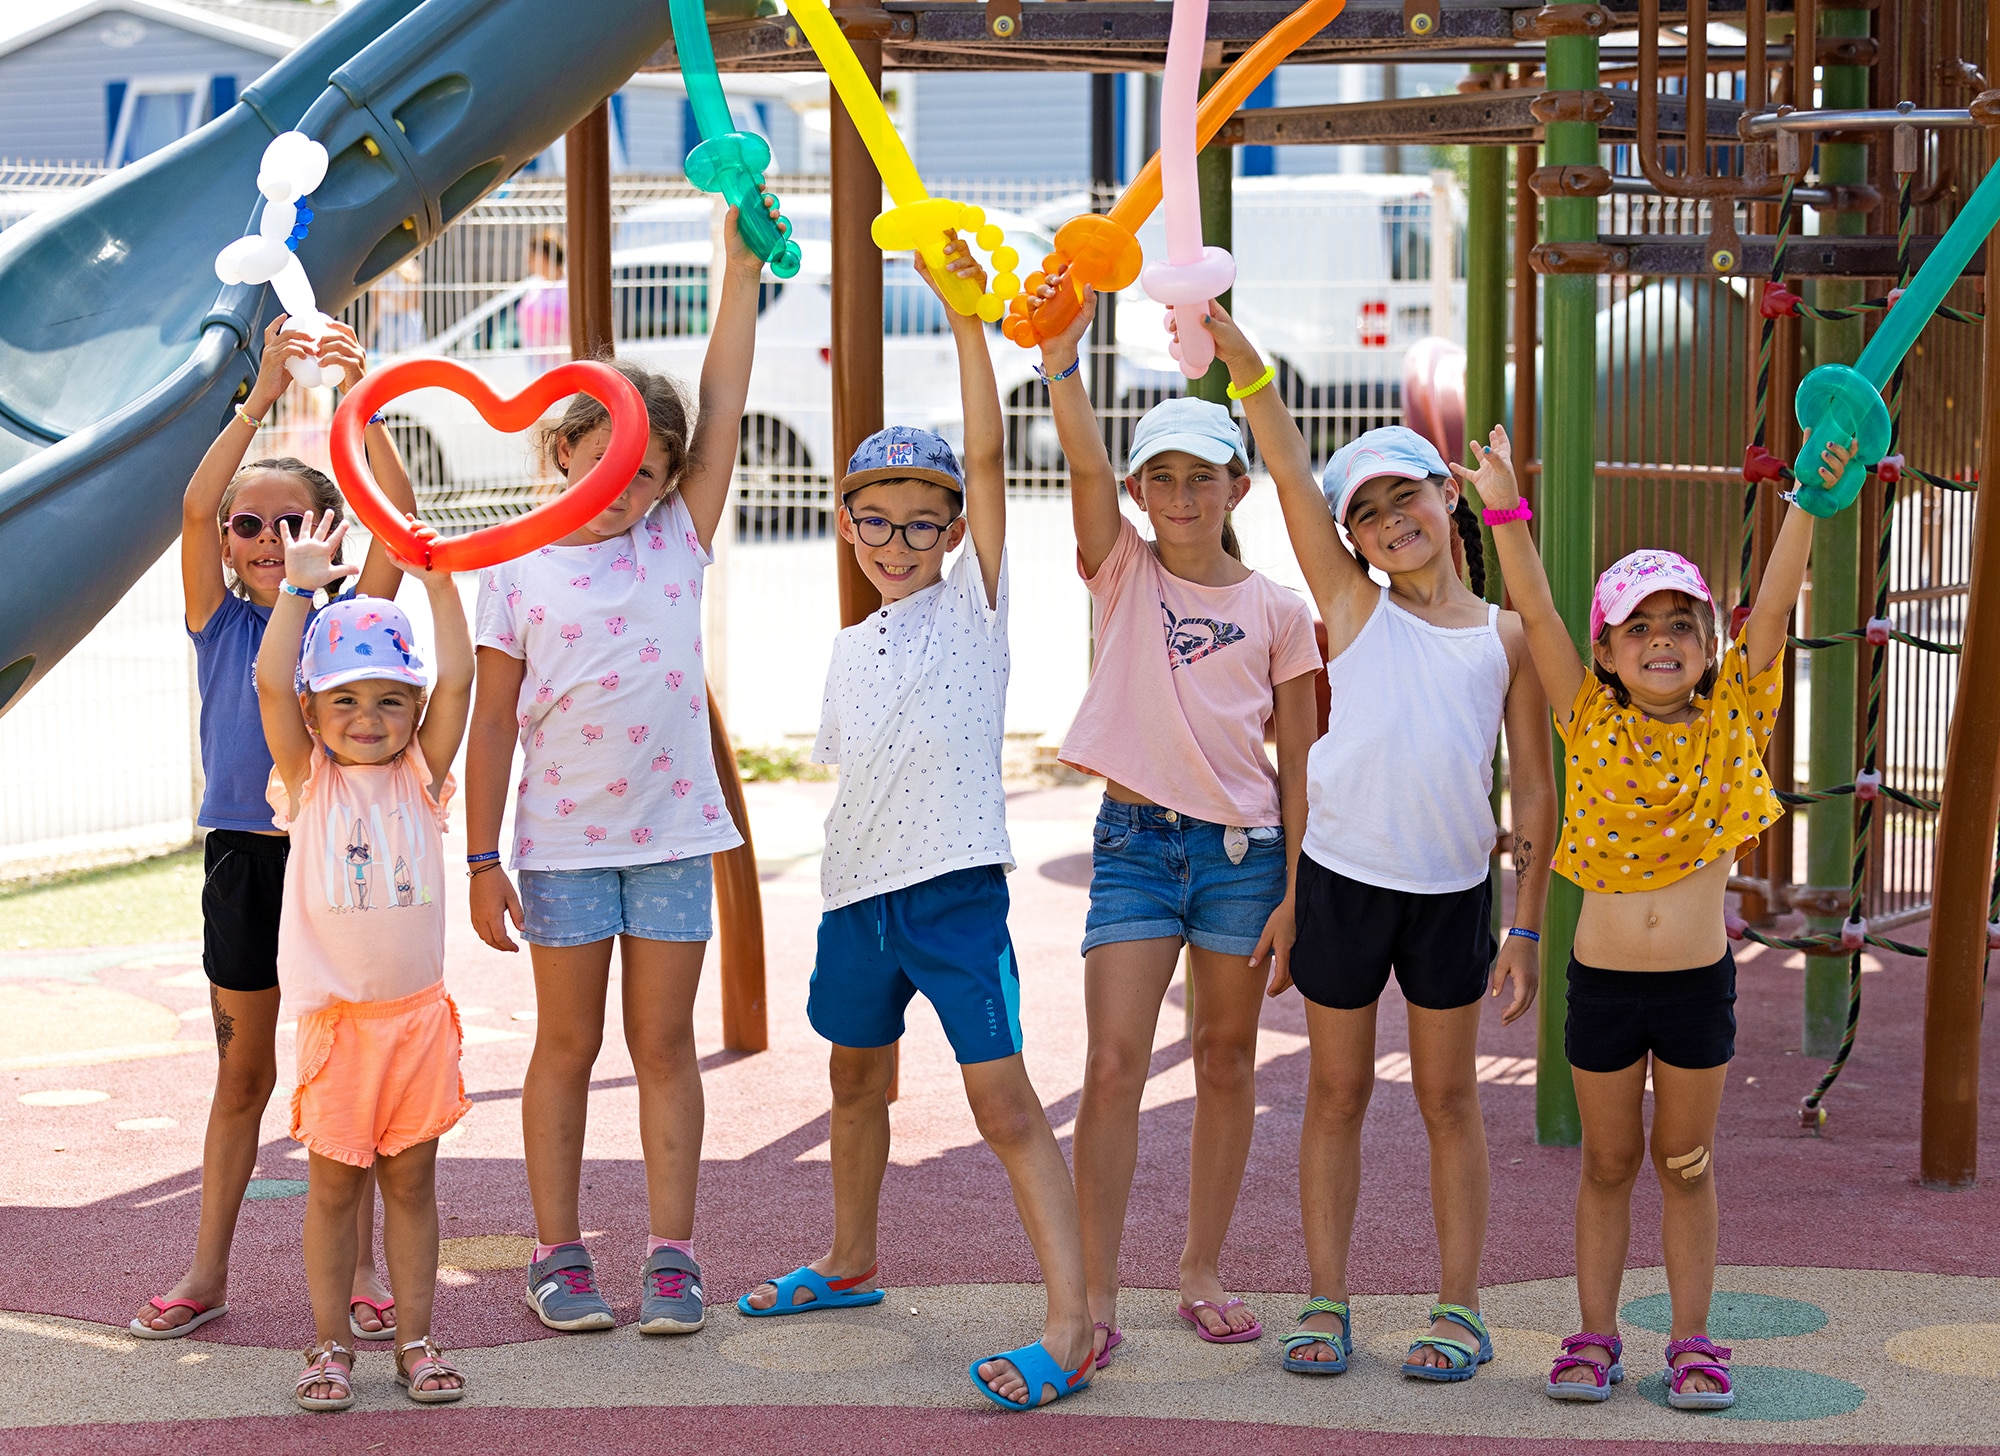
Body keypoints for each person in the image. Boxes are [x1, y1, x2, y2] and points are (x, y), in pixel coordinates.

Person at [738, 244, 1094, 1413]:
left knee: (1003, 1105)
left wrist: (964, 324)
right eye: (873, 522)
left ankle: (1073, 1321)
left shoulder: (975, 607)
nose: (897, 542)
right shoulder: (851, 645)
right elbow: (854, 776)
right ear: (844, 525)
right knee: (852, 1082)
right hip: (857, 895)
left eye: (921, 524)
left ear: (952, 532)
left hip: (952, 894)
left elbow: (986, 457)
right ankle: (848, 1258)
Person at [1198, 304, 1555, 1381]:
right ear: (1348, 540)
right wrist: (1249, 370)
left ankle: (1458, 1305)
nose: (1391, 517)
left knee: (1449, 1101)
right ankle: (1325, 1299)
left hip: (1451, 896)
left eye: (1408, 493)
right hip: (1343, 883)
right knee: (1335, 1093)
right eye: (1368, 511)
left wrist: (1526, 924)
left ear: (1451, 499)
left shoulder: (1504, 637)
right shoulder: (1350, 607)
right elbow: (1290, 470)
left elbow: (1533, 789)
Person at [1466, 423, 1846, 1411]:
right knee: (1604, 1161)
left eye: (1682, 623)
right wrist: (1503, 507)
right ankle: (1592, 1334)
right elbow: (1537, 608)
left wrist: (1806, 494)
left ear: (1709, 648)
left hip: (1691, 988)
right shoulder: (1583, 714)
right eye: (1639, 626)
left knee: (1683, 1163)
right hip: (1598, 985)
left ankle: (1688, 1338)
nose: (1663, 640)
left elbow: (1771, 604)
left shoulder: (1733, 721)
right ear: (1604, 651)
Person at [465, 202, 777, 1337]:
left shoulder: (674, 538)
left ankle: (672, 1253)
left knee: (662, 1045)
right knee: (566, 1044)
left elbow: (728, 398)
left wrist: (734, 271)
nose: (634, 488)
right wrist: (480, 854)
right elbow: (492, 721)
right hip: (557, 848)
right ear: (562, 451)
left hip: (671, 837)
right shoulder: (514, 567)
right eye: (611, 465)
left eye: (653, 472)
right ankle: (556, 1251)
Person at [1029, 279, 1321, 1365]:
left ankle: (1199, 1264)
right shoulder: (1121, 572)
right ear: (1143, 491)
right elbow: (1082, 472)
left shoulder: (1279, 611)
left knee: (1226, 1058)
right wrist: (1062, 364)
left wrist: (1296, 889)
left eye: (1203, 474)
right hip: (1136, 848)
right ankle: (1091, 1286)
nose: (1183, 494)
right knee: (1111, 1065)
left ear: (1236, 483)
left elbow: (1300, 766)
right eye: (1164, 476)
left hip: (1244, 857)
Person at [136, 315, 419, 1342]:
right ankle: (206, 1271)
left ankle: (366, 1273)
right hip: (247, 864)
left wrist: (354, 395)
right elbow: (195, 500)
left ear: (326, 530)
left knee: (360, 1073)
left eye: (287, 522)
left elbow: (406, 519)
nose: (263, 539)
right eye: (249, 528)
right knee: (244, 1074)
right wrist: (260, 401)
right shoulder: (217, 618)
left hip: (339, 864)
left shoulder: (351, 622)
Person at [256, 510, 474, 1411]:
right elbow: (272, 682)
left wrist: (439, 583)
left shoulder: (425, 776)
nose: (370, 717)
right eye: (344, 699)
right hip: (340, 1028)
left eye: (390, 699)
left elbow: (460, 677)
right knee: (335, 1192)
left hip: (417, 1019)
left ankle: (417, 1341)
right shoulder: (308, 783)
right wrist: (300, 586)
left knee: (413, 1186)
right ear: (314, 713)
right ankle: (329, 1345)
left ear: (415, 710)